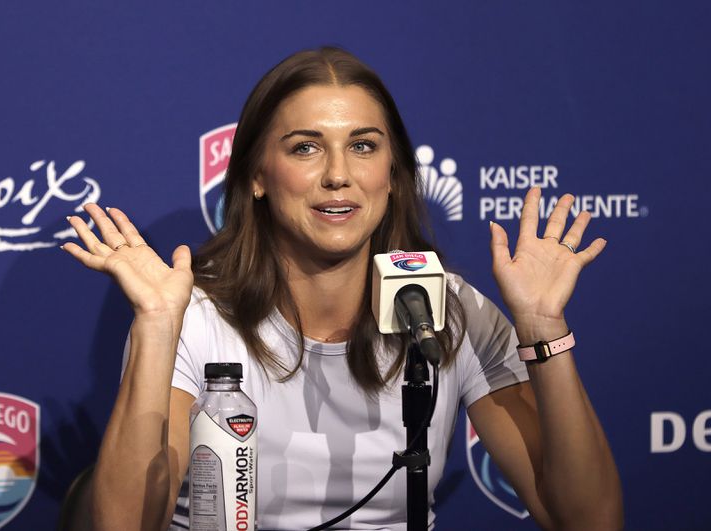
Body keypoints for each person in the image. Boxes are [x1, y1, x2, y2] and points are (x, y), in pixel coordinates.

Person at [63, 47, 623, 530]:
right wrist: (158, 328)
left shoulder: (451, 310)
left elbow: (588, 521)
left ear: (394, 173)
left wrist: (542, 328)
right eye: (305, 147)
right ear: (257, 175)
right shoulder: (196, 317)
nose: (338, 174)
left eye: (363, 146)